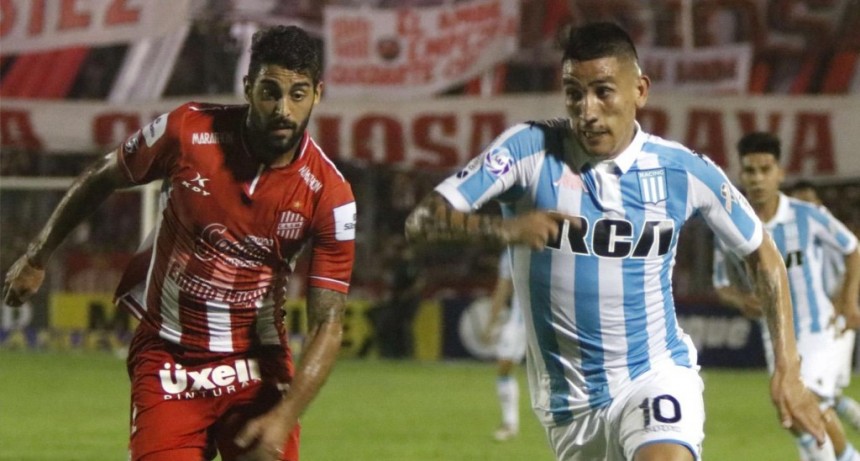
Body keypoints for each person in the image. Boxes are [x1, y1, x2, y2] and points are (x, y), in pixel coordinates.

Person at [405, 21, 826, 461]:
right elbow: (423, 219)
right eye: (574, 93)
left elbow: (762, 254)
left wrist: (788, 369)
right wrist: (502, 229)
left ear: (640, 91)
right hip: (569, 405)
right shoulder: (529, 150)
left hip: (654, 374)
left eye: (603, 92)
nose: (587, 110)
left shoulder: (682, 171)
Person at [3, 25, 356, 461]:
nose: (283, 109)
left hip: (256, 366)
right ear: (248, 87)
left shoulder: (330, 195)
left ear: (318, 93)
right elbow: (103, 176)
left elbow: (328, 325)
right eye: (270, 92)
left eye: (298, 94)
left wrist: (284, 417)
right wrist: (37, 256)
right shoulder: (187, 130)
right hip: (168, 357)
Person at [711, 132, 860, 461]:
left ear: (780, 173)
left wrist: (848, 301)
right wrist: (741, 300)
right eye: (750, 170)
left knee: (808, 397)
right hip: (775, 334)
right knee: (789, 408)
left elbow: (852, 248)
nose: (757, 178)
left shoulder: (807, 215)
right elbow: (722, 285)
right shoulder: (732, 226)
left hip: (818, 328)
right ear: (741, 174)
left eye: (765, 169)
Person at [789, 180, 860, 434]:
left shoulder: (826, 231)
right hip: (812, 321)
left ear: (818, 203)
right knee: (818, 390)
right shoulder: (795, 235)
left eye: (808, 201)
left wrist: (842, 305)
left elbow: (848, 267)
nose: (804, 207)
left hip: (832, 318)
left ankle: (838, 449)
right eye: (798, 202)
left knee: (816, 392)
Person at [481, 248, 527, 441]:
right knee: (504, 367)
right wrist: (491, 323)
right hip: (521, 320)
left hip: (552, 318)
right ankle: (510, 423)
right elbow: (503, 287)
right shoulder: (510, 253)